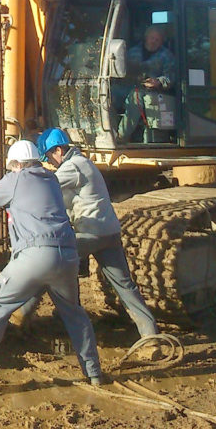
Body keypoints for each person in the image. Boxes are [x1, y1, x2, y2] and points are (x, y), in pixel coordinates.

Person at [0, 138, 104, 392]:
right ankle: (94, 372)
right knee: (74, 314)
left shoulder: (17, 178)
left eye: (11, 166)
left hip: (36, 255)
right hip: (67, 256)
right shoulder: (51, 179)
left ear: (16, 164)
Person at [19, 127, 158, 342]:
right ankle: (150, 334)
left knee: (49, 262)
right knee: (124, 285)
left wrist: (18, 180)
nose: (49, 161)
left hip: (91, 234)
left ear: (57, 150)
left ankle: (20, 314)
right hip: (110, 233)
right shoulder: (84, 163)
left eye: (48, 156)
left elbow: (44, 187)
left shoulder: (72, 167)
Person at [126, 26, 175, 91]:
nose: (153, 41)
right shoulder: (132, 52)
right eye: (152, 38)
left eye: (157, 40)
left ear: (161, 42)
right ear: (146, 37)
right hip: (131, 90)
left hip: (156, 94)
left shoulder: (167, 56)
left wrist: (158, 82)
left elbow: (171, 77)